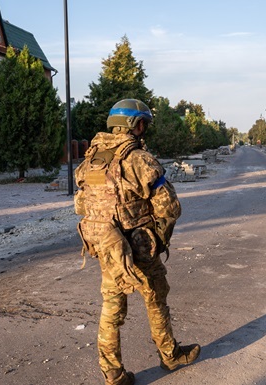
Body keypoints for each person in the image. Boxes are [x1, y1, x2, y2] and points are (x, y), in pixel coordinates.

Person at [74, 99, 201, 385]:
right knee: (156, 298)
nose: (145, 130)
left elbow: (81, 206)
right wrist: (157, 237)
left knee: (111, 307)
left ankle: (113, 373)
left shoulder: (91, 159)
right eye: (144, 124)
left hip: (107, 246)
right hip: (139, 245)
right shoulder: (139, 159)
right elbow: (169, 207)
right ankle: (170, 355)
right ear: (137, 125)